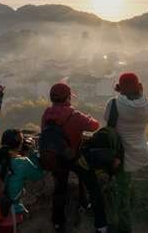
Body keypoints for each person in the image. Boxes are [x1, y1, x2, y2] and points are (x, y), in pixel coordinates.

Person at [105, 72, 148, 233]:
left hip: (122, 156)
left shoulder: (114, 104)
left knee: (123, 193)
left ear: (120, 89)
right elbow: (146, 113)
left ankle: (124, 228)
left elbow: (109, 128)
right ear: (139, 87)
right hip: (142, 152)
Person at [41, 83, 107, 233]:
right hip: (74, 157)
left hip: (55, 159)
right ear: (68, 97)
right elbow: (94, 126)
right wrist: (88, 117)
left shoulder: (46, 114)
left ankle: (58, 223)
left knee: (60, 189)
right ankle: (101, 225)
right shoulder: (74, 115)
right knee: (92, 185)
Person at [0, 129, 44, 233]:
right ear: (20, 144)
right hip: (6, 218)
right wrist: (32, 153)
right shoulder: (21, 162)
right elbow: (38, 175)